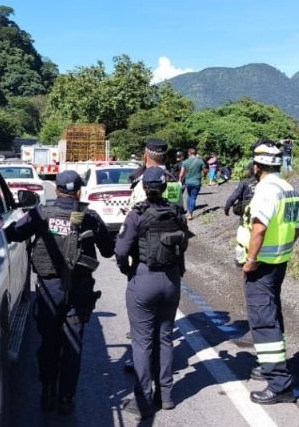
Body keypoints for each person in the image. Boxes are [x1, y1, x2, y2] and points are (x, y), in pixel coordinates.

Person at [5, 170, 115, 413]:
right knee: (73, 344)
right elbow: (108, 251)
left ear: (56, 190)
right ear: (79, 191)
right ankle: (66, 398)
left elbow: (13, 233)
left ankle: (47, 391)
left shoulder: (41, 214)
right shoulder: (90, 216)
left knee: (49, 342)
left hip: (50, 289)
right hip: (79, 291)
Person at [115, 167, 190, 418]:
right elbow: (185, 243)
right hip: (171, 281)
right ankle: (166, 395)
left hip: (144, 278)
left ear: (145, 187)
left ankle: (143, 399)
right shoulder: (177, 212)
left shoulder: (137, 215)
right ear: (165, 186)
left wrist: (126, 270)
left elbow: (121, 250)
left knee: (142, 342)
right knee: (165, 337)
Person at [237, 143, 299, 405]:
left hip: (262, 263)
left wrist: (251, 260)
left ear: (257, 166)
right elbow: (298, 228)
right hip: (279, 261)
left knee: (263, 319)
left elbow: (259, 228)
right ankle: (270, 364)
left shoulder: (266, 190)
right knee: (272, 313)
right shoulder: (289, 188)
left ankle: (279, 383)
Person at [129, 139, 182, 209]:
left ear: (145, 157)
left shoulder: (143, 183)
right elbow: (179, 211)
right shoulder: (175, 183)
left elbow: (136, 214)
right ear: (166, 158)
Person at [178, 148, 205, 219]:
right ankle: (190, 214)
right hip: (196, 182)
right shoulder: (200, 161)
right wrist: (204, 176)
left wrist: (180, 180)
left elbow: (181, 173)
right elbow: (205, 170)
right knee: (193, 197)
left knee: (189, 196)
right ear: (195, 153)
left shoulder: (185, 162)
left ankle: (187, 212)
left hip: (188, 182)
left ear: (189, 153)